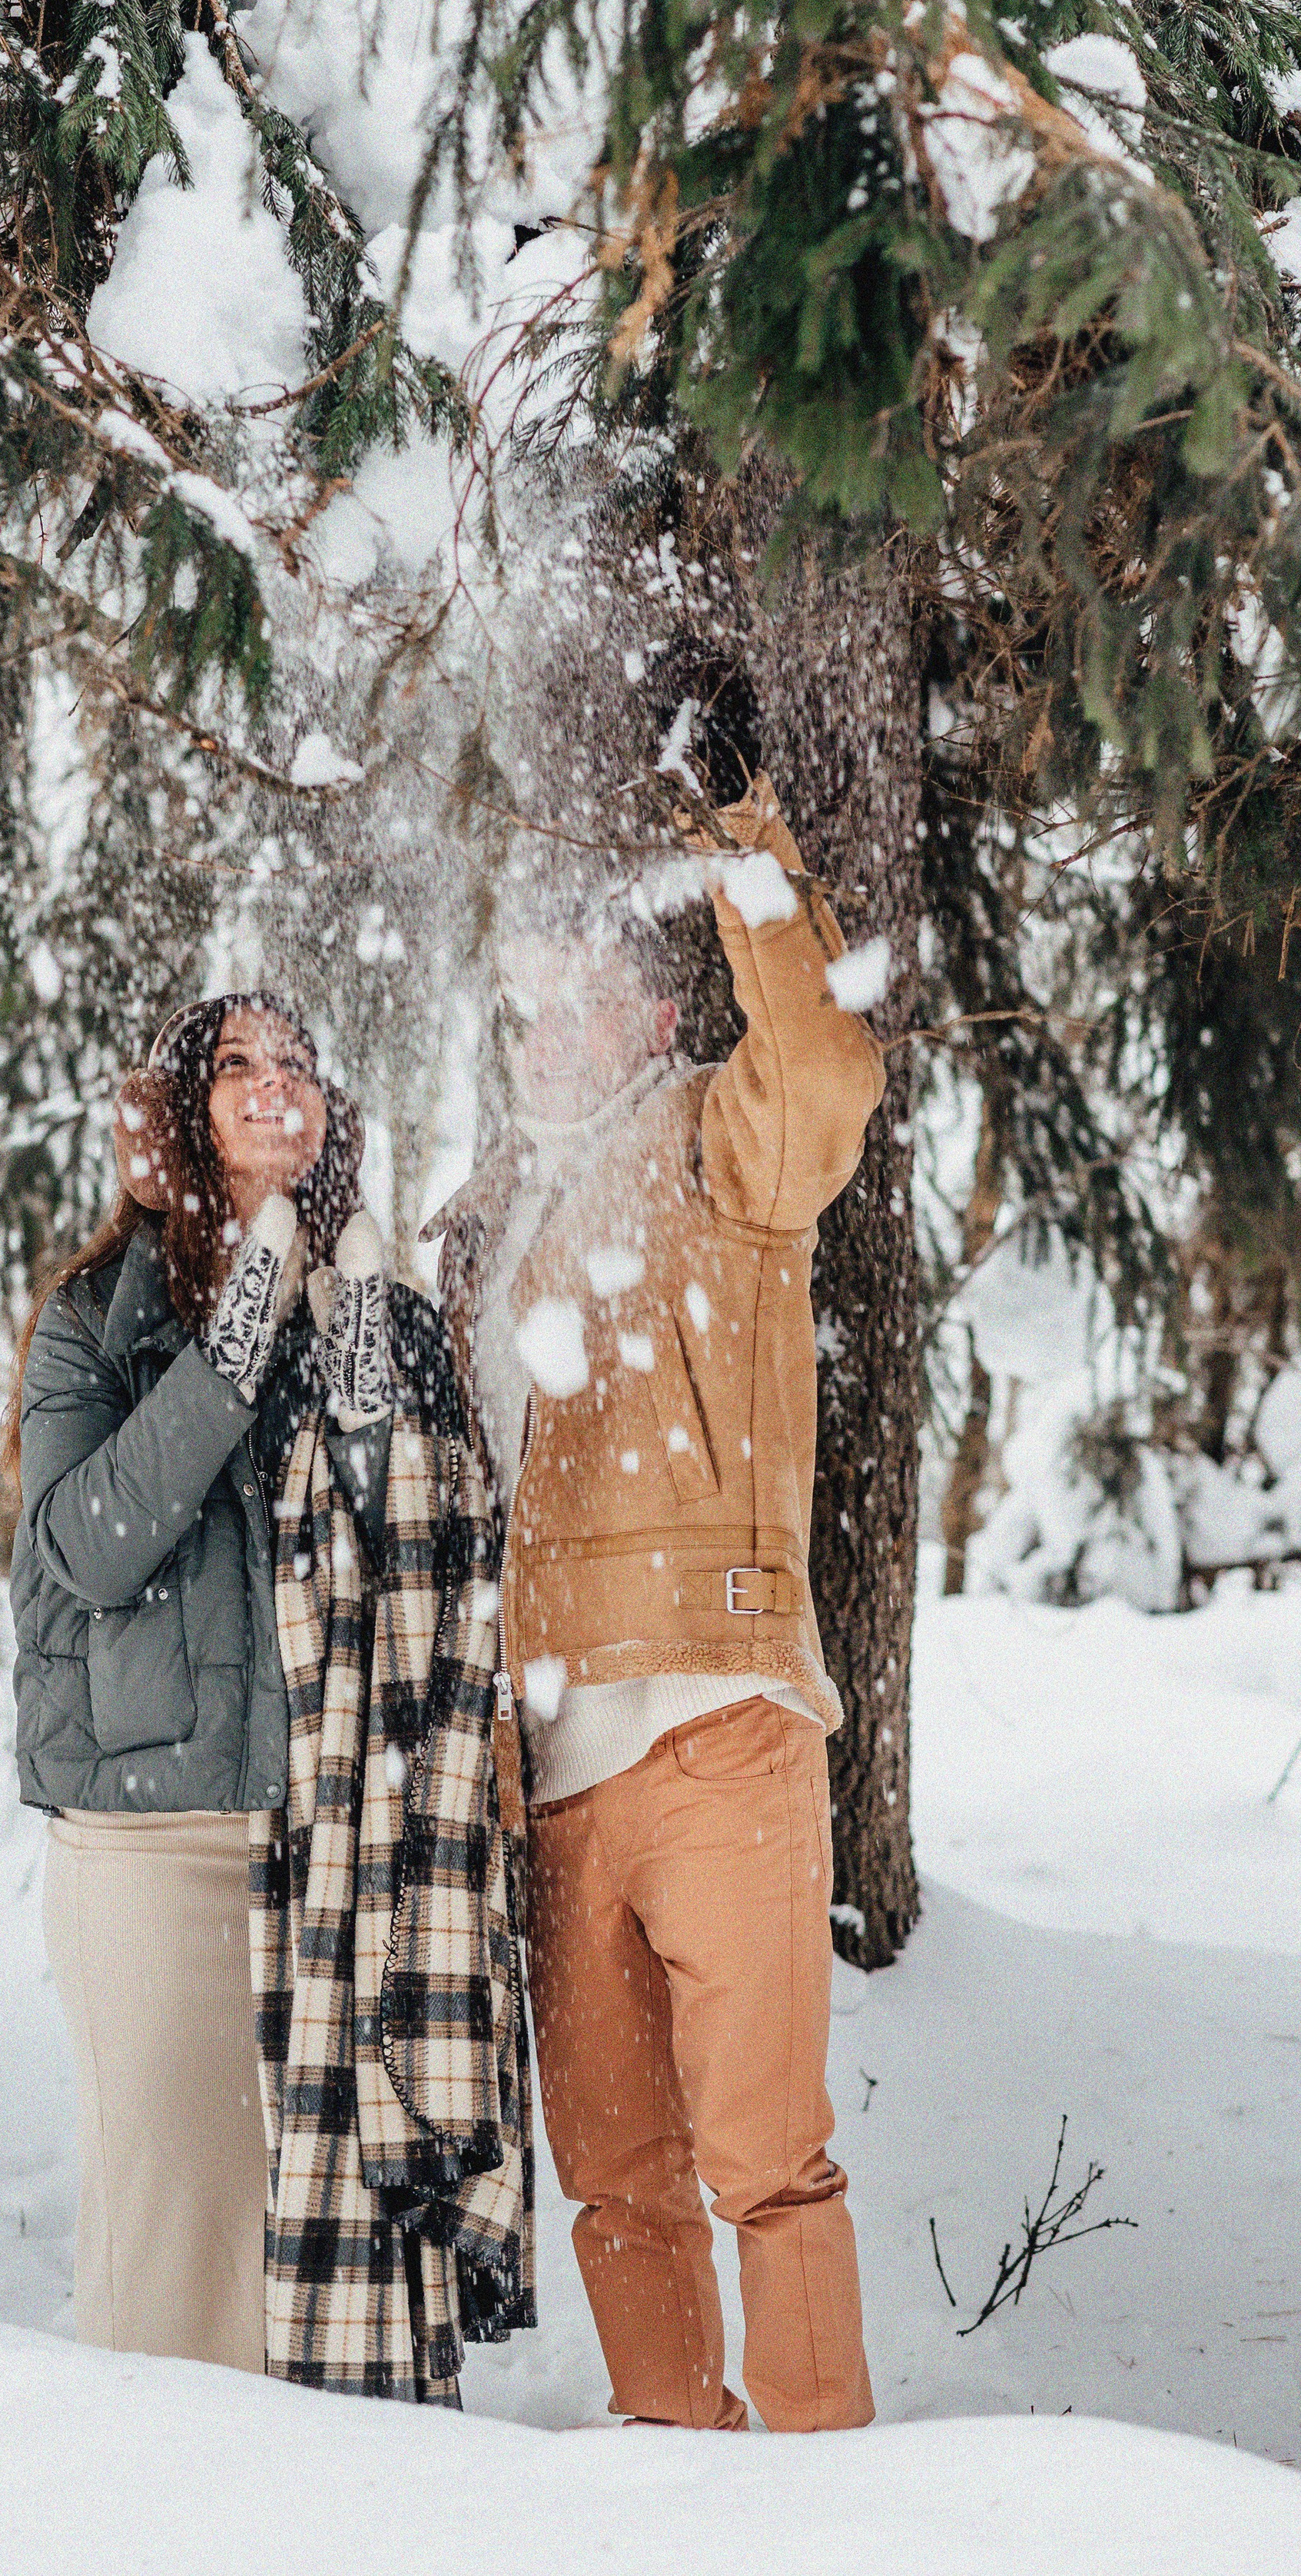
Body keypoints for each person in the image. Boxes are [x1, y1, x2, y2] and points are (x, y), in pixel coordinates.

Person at [424, 768, 886, 2434]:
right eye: (525, 1002)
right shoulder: (469, 1225)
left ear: (655, 1001)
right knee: (615, 2176)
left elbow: (826, 1067)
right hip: (542, 1776)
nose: (551, 1026)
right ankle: (673, 2474)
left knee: (764, 2159)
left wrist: (751, 858)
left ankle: (834, 2507)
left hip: (712, 1715)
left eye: (584, 992)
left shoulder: (717, 1136)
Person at [5, 991, 529, 2395]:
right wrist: (231, 1349)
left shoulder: (370, 1311)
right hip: (149, 1842)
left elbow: (415, 1574)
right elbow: (91, 1548)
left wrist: (362, 1376)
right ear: (185, 1110)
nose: (271, 1082)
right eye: (235, 1062)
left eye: (297, 1060)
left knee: (298, 2264)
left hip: (317, 1854)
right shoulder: (96, 1320)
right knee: (167, 2226)